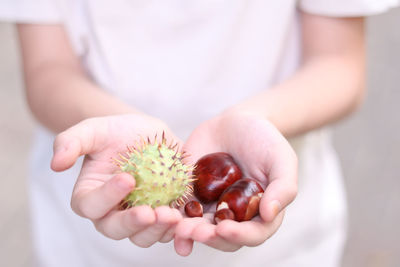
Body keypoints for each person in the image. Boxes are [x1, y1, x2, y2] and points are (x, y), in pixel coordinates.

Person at [1, 0, 399, 266]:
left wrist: (254, 117)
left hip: (284, 245)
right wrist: (112, 124)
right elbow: (47, 71)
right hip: (90, 245)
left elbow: (338, 64)